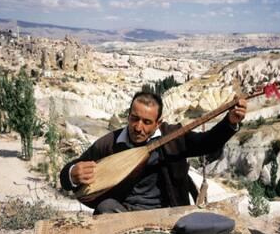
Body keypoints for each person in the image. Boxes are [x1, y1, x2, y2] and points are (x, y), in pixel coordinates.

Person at [59, 91, 247, 215]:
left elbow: (205, 142)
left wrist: (229, 122)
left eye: (147, 122)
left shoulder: (173, 136)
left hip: (168, 210)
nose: (138, 127)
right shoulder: (111, 143)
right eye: (134, 119)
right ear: (129, 116)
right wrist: (72, 173)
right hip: (123, 212)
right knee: (104, 208)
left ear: (158, 123)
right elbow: (69, 173)